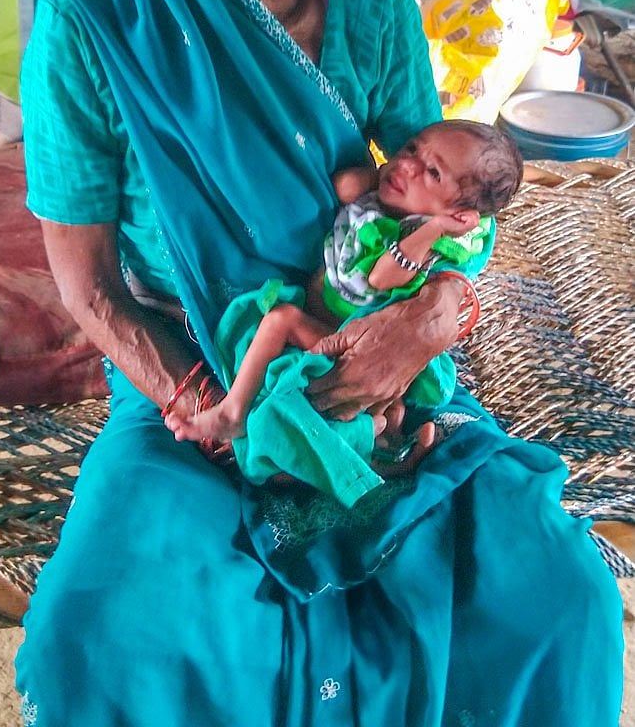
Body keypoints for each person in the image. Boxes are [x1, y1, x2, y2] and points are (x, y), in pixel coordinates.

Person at [15, 0, 623, 727]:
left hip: (387, 376)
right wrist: (201, 402)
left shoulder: (378, 6)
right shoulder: (90, 33)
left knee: (556, 596)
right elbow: (91, 283)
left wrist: (427, 320)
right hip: (197, 393)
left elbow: (451, 220)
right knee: (96, 634)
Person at [168, 121, 522, 505]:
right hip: (330, 328)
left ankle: (236, 411)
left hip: (357, 343)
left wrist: (435, 226)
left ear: (459, 213)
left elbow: (383, 275)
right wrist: (385, 176)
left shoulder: (420, 237)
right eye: (412, 149)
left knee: (282, 321)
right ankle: (380, 444)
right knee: (363, 405)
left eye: (433, 173)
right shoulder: (377, 200)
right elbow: (344, 186)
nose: (409, 166)